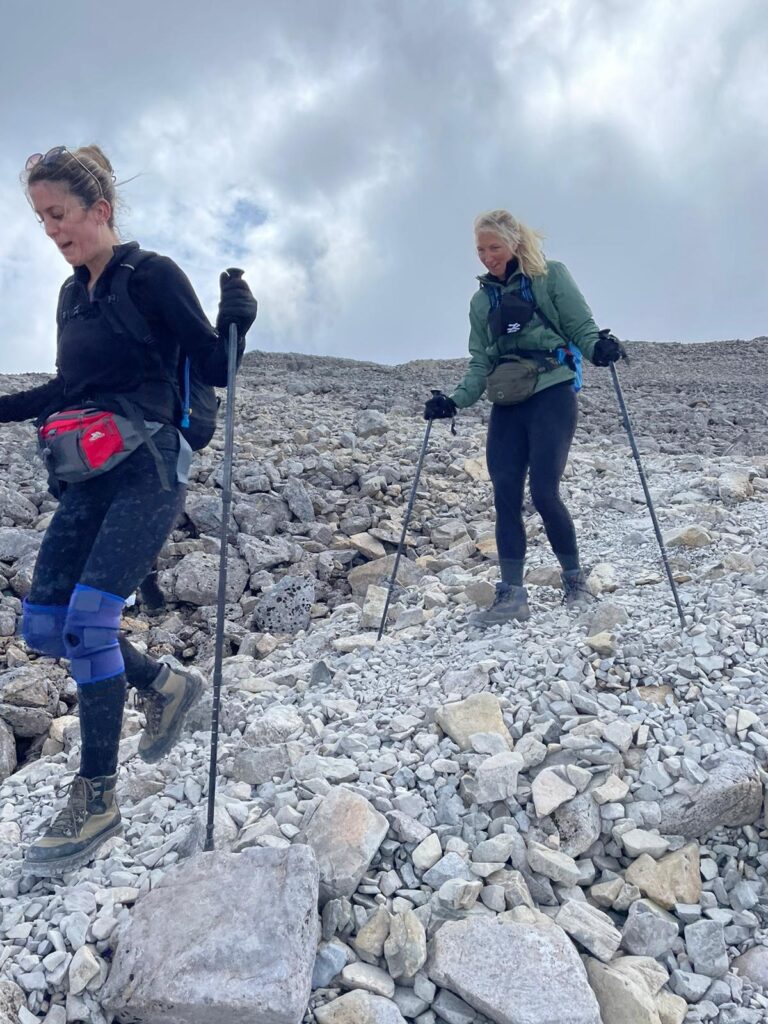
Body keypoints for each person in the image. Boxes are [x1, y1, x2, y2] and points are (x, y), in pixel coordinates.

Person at [0, 145, 257, 874]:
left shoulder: (151, 276)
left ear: (99, 210)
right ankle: (166, 685)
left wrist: (239, 318)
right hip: (87, 469)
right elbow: (65, 389)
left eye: (58, 215)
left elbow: (213, 368)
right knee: (45, 624)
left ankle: (98, 799)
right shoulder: (70, 296)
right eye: (40, 219)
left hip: (147, 464)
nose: (50, 230)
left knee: (89, 623)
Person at [424, 209, 622, 627]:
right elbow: (480, 362)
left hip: (552, 392)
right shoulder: (482, 301)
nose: (487, 256)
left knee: (544, 491)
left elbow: (580, 325)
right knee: (505, 495)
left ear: (515, 243)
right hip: (507, 401)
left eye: (494, 247)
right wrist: (454, 401)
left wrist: (598, 348)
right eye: (480, 249)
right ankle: (512, 595)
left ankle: (575, 582)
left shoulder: (550, 276)